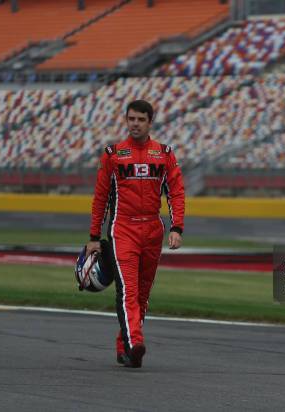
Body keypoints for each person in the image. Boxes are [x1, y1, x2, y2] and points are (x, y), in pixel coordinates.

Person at [86, 99, 185, 368]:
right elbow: (100, 197)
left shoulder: (164, 153)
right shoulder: (113, 153)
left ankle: (125, 347)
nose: (135, 124)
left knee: (142, 294)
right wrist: (94, 236)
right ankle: (135, 342)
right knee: (128, 289)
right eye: (131, 119)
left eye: (141, 120)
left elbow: (176, 192)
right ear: (126, 121)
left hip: (153, 229)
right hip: (123, 229)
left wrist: (177, 228)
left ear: (150, 122)